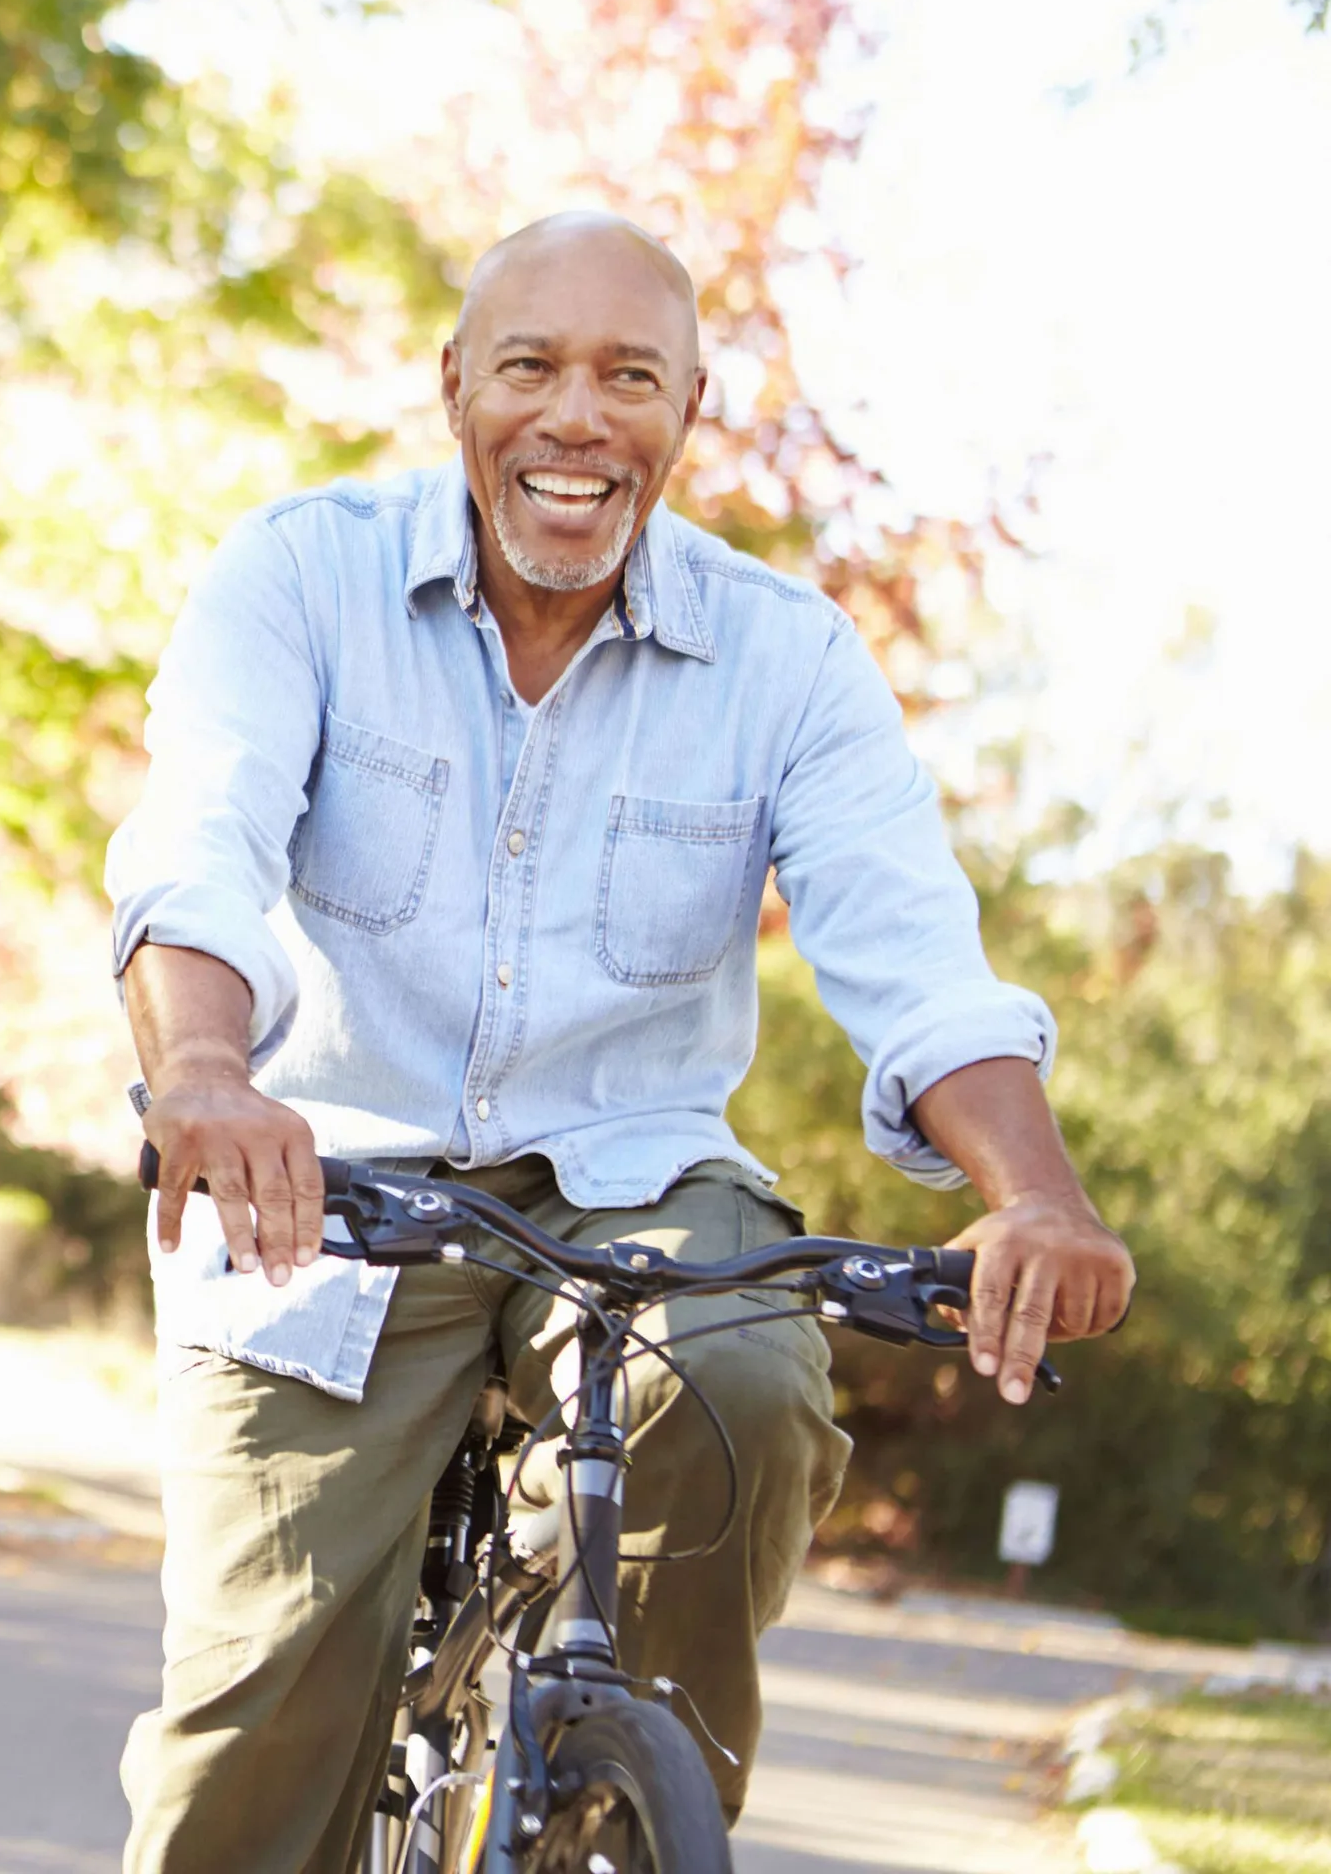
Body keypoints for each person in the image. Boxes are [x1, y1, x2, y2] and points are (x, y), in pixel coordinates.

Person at [103, 210, 1134, 1870]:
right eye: (531, 368)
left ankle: (619, 1818)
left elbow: (911, 949)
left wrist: (1034, 1193)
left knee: (741, 1388)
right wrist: (207, 1075)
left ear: (688, 413)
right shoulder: (299, 573)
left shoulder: (786, 657)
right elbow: (194, 848)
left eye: (629, 378)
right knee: (261, 1727)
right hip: (330, 1194)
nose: (577, 419)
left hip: (633, 1184)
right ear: (455, 388)